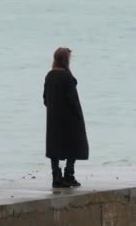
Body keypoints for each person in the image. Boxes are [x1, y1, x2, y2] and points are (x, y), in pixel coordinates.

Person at [43, 47, 89, 188]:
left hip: (53, 118)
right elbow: (73, 101)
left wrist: (53, 109)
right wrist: (78, 117)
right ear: (65, 60)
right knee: (74, 145)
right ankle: (69, 175)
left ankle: (56, 177)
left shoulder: (49, 75)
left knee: (54, 147)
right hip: (69, 119)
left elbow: (45, 99)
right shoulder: (67, 77)